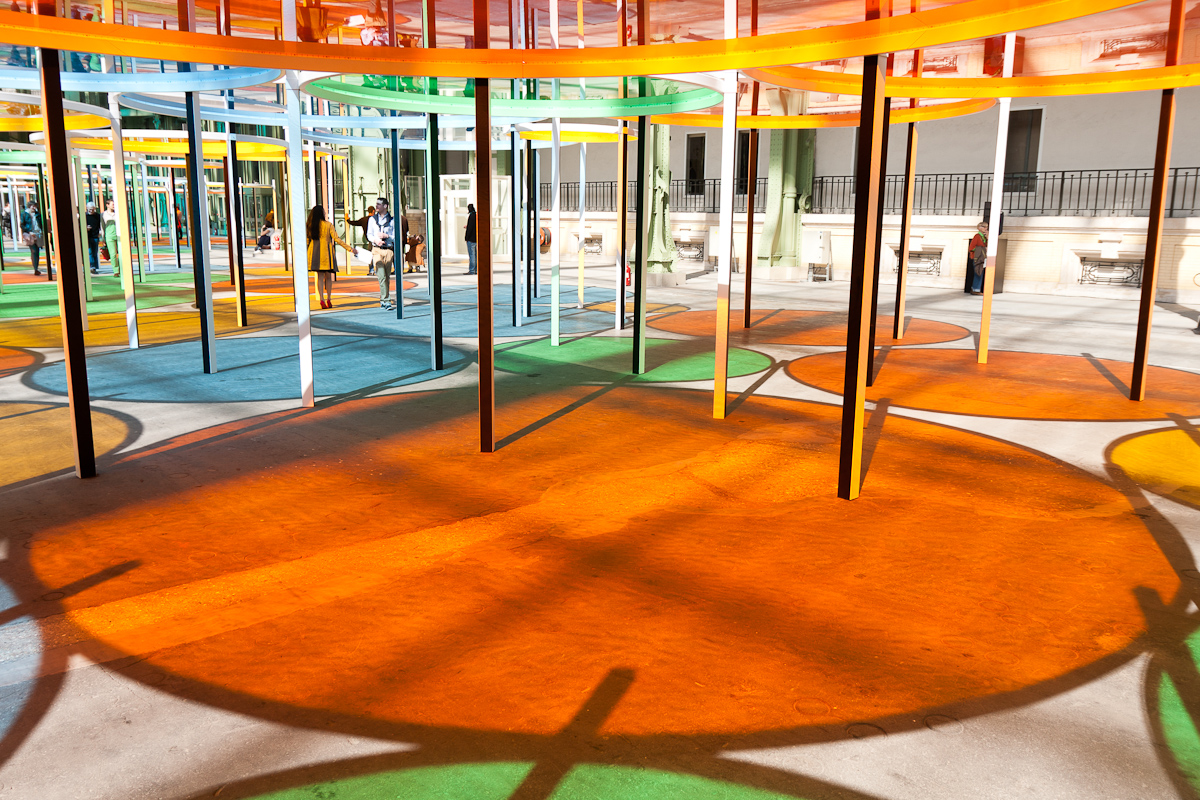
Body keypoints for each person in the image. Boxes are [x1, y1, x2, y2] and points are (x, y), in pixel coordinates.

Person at [306, 205, 357, 309]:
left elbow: (307, 241)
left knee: (320, 277)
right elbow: (337, 239)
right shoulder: (328, 225)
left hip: (315, 253)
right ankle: (329, 298)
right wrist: (349, 248)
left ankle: (322, 299)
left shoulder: (310, 226)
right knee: (328, 277)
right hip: (326, 253)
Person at [366, 196, 395, 310]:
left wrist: (387, 236)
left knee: (386, 276)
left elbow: (396, 236)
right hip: (376, 249)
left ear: (385, 206)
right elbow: (369, 234)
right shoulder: (372, 220)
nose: (376, 206)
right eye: (376, 204)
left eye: (379, 204)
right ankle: (386, 300)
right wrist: (375, 240)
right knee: (381, 275)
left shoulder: (392, 220)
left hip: (388, 250)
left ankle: (383, 299)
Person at [20, 200, 43, 276]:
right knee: (33, 251)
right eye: (33, 206)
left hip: (38, 233)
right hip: (30, 234)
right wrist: (28, 231)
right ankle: (35, 268)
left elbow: (41, 223)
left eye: (35, 206)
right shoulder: (24, 214)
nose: (34, 208)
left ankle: (36, 267)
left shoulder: (37, 214)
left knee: (37, 251)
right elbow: (22, 224)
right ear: (29, 206)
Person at [103, 197, 121, 276]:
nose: (114, 206)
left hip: (119, 235)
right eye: (112, 204)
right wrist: (103, 238)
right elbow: (102, 226)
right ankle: (116, 271)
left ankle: (122, 268)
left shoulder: (118, 213)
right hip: (109, 236)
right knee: (113, 254)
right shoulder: (103, 215)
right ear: (107, 205)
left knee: (121, 253)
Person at [969, 221, 988, 295]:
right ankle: (975, 289)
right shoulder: (977, 236)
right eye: (984, 227)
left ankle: (975, 289)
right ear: (979, 228)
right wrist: (982, 249)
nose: (986, 228)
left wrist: (987, 237)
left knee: (980, 273)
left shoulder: (984, 237)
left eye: (986, 227)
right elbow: (971, 248)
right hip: (977, 258)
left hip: (982, 257)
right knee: (978, 273)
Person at [85, 202, 102, 274]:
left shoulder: (98, 216)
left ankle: (94, 267)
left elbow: (100, 225)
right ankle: (92, 267)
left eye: (92, 209)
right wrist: (86, 228)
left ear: (94, 208)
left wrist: (100, 232)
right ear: (87, 208)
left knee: (95, 252)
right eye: (89, 209)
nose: (91, 210)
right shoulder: (84, 216)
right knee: (90, 252)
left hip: (95, 236)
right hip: (87, 236)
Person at [465, 203, 477, 276]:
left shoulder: (471, 216)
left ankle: (472, 270)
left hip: (471, 239)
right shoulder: (476, 216)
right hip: (476, 239)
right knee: (476, 255)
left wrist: (466, 237)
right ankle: (476, 270)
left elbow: (470, 228)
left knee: (472, 255)